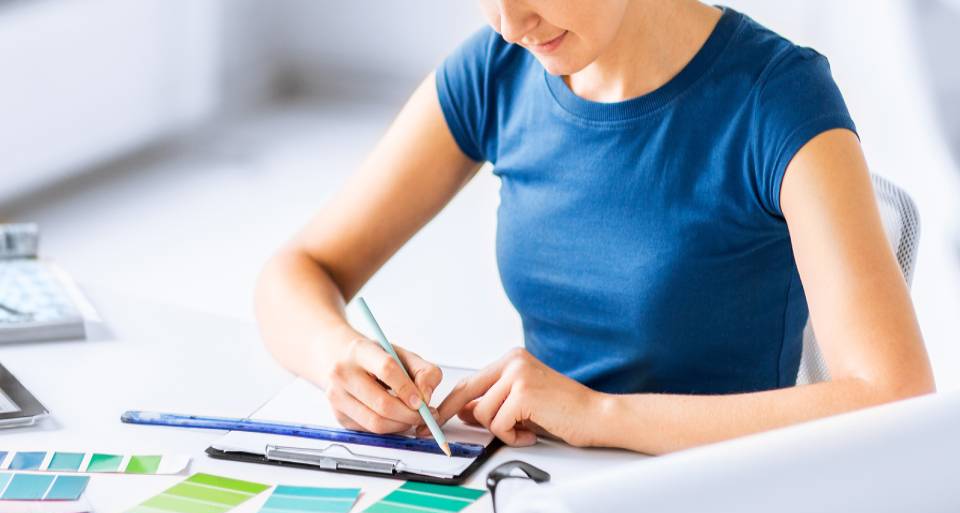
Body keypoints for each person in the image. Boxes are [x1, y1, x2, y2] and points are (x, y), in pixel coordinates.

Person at [254, 0, 934, 454]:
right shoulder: (498, 69)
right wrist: (337, 357)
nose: (510, 20)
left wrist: (600, 415)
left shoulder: (779, 99)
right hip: (537, 489)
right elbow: (298, 271)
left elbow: (892, 398)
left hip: (710, 504)